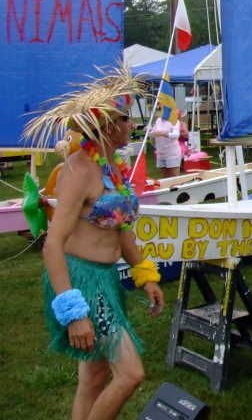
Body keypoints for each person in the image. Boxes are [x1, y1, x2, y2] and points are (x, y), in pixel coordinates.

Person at [23, 67, 165, 420]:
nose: (130, 125)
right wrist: (74, 313)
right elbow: (52, 245)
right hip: (82, 282)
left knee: (94, 378)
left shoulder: (111, 167)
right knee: (131, 374)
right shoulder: (78, 170)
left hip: (105, 280)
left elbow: (120, 230)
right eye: (124, 118)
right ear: (105, 126)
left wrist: (144, 274)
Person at [151, 108, 182, 178]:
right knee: (165, 177)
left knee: (174, 177)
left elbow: (176, 135)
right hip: (161, 153)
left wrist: (163, 133)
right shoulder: (158, 120)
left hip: (172, 154)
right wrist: (149, 131)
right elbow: (153, 132)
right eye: (160, 109)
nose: (160, 111)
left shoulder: (174, 121)